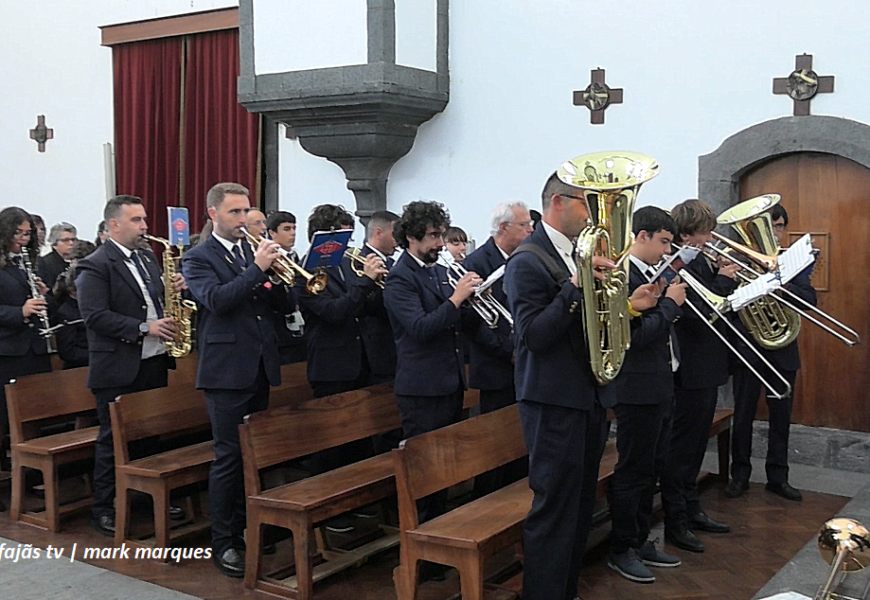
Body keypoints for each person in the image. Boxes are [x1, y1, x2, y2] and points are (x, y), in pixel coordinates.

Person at [504, 172, 660, 600]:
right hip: (553, 402)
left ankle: (565, 590)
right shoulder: (527, 261)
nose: (595, 216)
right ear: (558, 202)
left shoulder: (574, 253)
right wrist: (576, 286)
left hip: (587, 396)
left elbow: (591, 326)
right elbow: (534, 336)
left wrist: (630, 307)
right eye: (586, 204)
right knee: (555, 509)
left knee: (579, 508)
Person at [182, 182, 294, 578]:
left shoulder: (252, 252)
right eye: (234, 212)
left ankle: (251, 527)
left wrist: (281, 279)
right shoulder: (198, 258)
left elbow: (282, 306)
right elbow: (216, 300)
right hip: (226, 371)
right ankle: (224, 541)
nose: (243, 219)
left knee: (252, 455)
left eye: (246, 211)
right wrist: (258, 269)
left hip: (259, 364)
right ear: (213, 214)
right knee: (228, 458)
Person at [76, 195, 186, 537]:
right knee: (113, 440)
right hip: (117, 367)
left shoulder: (146, 259)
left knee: (148, 436)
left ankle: (141, 497)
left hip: (152, 360)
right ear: (114, 225)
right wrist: (143, 328)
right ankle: (104, 507)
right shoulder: (94, 264)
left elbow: (152, 302)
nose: (145, 227)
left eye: (144, 219)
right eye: (137, 220)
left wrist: (174, 289)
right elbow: (95, 317)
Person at [607, 207, 686, 584]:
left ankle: (640, 540)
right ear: (641, 236)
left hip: (660, 383)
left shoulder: (652, 274)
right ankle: (621, 547)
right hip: (636, 388)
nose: (667, 251)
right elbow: (632, 339)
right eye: (664, 242)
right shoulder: (622, 277)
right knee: (633, 471)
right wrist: (670, 305)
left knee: (652, 467)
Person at [661, 199, 739, 554]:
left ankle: (691, 508)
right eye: (706, 232)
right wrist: (723, 281)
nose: (712, 239)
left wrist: (730, 281)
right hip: (690, 369)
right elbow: (696, 314)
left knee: (695, 449)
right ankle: (676, 520)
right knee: (683, 450)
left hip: (708, 366)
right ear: (687, 234)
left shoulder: (700, 260)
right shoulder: (678, 265)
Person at [725, 203, 816, 502]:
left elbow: (808, 301)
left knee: (781, 416)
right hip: (748, 348)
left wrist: (779, 283)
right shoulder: (735, 261)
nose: (776, 233)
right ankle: (739, 475)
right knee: (743, 415)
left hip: (782, 348)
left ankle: (778, 477)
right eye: (771, 226)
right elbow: (727, 306)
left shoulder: (793, 262)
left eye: (779, 227)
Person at [464, 200, 532, 497]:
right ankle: (489, 502)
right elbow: (475, 323)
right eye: (525, 225)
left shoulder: (525, 257)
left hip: (523, 362)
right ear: (504, 228)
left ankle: (518, 500)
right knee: (495, 447)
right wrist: (509, 351)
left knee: (521, 443)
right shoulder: (478, 262)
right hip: (496, 366)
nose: (531, 229)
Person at [0, 207, 53, 501]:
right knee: (2, 420)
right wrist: (19, 311)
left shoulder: (26, 262)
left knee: (32, 418)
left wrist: (42, 295)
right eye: (18, 233)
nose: (22, 239)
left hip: (33, 349)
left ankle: (29, 480)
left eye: (27, 234)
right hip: (6, 352)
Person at [358, 210, 400, 384]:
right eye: (394, 235)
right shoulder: (360, 261)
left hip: (393, 349)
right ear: (378, 233)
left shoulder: (391, 264)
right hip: (376, 350)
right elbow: (365, 304)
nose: (398, 241)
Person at [266, 210, 306, 364]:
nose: (293, 233)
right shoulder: (270, 259)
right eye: (287, 229)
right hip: (280, 330)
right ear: (272, 233)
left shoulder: (296, 257)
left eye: (294, 228)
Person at [38, 222, 77, 295]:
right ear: (54, 243)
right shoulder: (45, 263)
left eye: (73, 239)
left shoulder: (78, 261)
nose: (71, 243)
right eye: (66, 240)